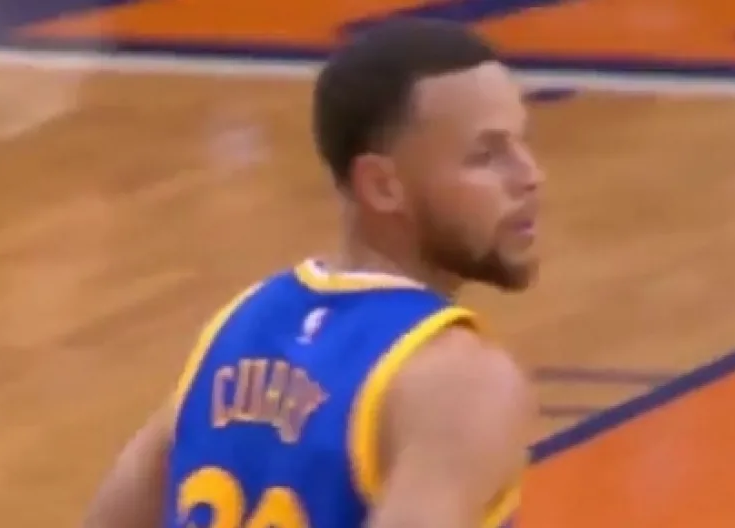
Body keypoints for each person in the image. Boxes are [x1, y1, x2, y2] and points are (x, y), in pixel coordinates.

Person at [82, 17, 542, 528]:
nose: (530, 175)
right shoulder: (459, 380)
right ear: (382, 186)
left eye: (523, 142)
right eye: (485, 156)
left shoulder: (240, 323)